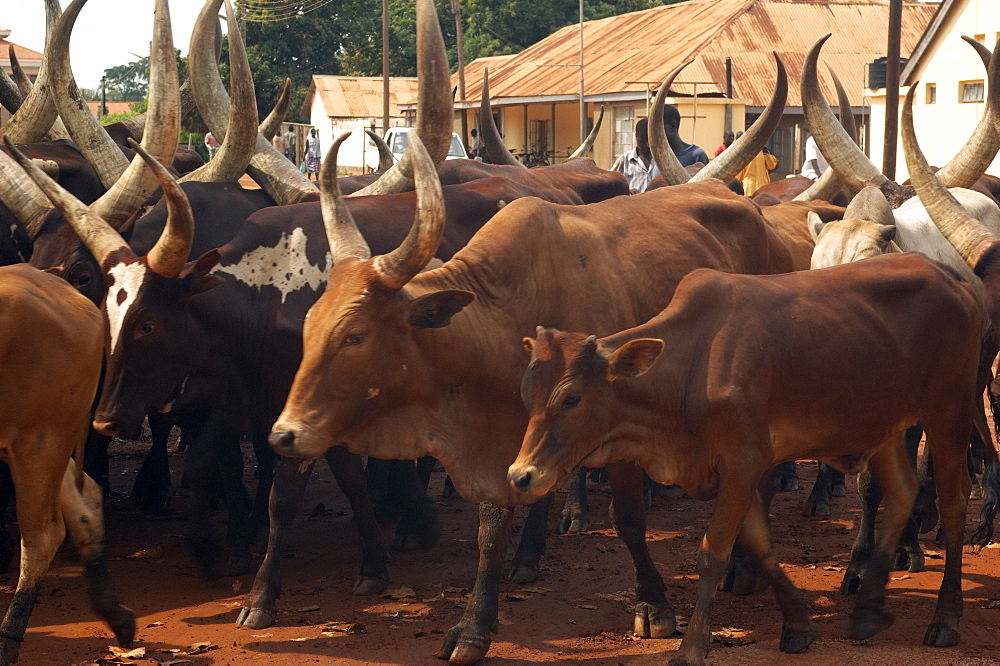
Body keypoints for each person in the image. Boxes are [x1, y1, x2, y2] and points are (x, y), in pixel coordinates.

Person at [649, 104, 709, 181]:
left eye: (656, 128)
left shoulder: (696, 155)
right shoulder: (655, 157)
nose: (652, 133)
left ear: (672, 127)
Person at [610, 118, 655, 194]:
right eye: (642, 141)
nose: (646, 144)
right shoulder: (625, 160)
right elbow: (611, 184)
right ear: (636, 136)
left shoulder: (662, 161)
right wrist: (627, 192)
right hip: (630, 204)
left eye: (649, 141)